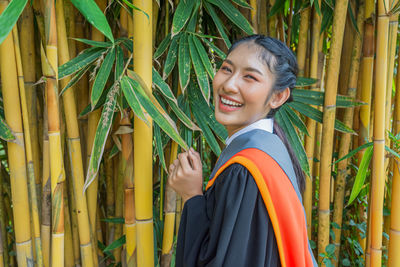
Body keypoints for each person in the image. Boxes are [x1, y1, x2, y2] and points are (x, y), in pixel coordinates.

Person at [168, 35, 317, 267]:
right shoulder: (271, 145)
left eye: (250, 77)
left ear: (278, 97)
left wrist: (191, 196)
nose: (228, 84)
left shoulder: (246, 171)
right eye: (226, 69)